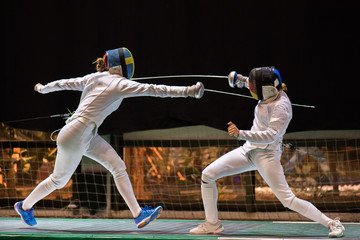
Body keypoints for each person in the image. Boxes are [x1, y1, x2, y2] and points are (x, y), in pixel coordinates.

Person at [14, 47, 204, 229]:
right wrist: (188, 91)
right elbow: (155, 89)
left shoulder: (94, 77)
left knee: (118, 166)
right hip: (77, 133)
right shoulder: (120, 83)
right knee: (59, 180)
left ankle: (138, 214)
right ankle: (24, 207)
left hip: (86, 133)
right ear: (122, 66)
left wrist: (43, 88)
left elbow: (64, 83)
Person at [189, 67, 345, 238]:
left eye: (254, 88)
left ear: (267, 89)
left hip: (267, 156)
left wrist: (241, 134)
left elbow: (270, 136)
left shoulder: (282, 107)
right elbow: (253, 82)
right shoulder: (269, 90)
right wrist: (239, 80)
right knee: (208, 174)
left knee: (288, 200)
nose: (252, 90)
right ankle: (212, 224)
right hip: (248, 150)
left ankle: (332, 223)